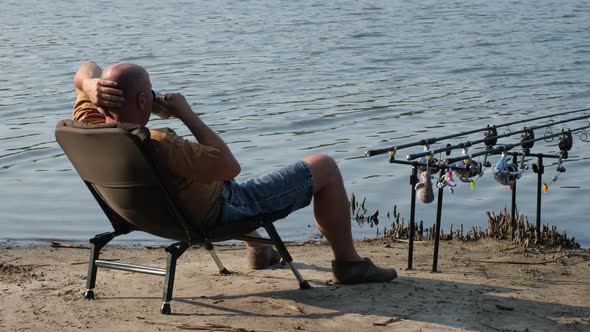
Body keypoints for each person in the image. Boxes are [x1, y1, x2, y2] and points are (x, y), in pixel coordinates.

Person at [72, 61, 397, 284]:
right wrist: (186, 113)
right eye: (151, 92)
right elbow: (229, 167)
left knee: (203, 176)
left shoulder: (88, 124)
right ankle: (348, 263)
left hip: (150, 216)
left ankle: (258, 248)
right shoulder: (160, 143)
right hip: (215, 214)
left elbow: (86, 68)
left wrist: (90, 83)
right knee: (323, 166)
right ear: (144, 98)